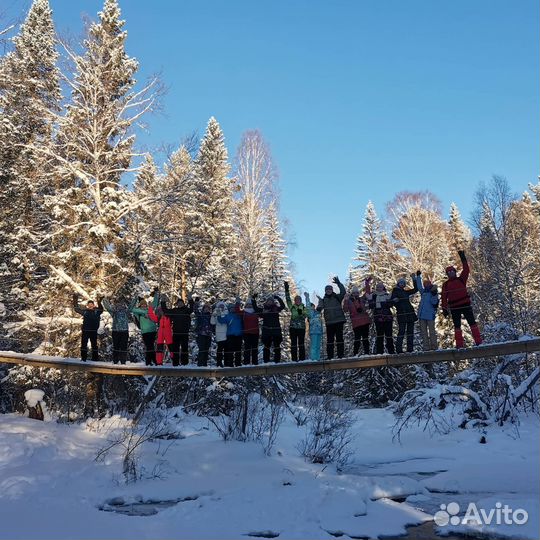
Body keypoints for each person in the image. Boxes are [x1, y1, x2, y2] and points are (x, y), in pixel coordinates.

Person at [441, 250, 483, 348]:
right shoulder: (446, 285)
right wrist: (444, 308)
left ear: (455, 272)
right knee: (457, 326)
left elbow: (466, 269)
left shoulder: (461, 279)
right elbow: (443, 297)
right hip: (454, 307)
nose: (451, 273)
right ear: (447, 274)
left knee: (472, 323)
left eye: (452, 271)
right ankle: (459, 345)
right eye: (449, 272)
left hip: (465, 304)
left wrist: (463, 257)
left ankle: (479, 341)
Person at [317, 276, 346, 359]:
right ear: (325, 291)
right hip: (329, 322)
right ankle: (330, 356)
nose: (328, 291)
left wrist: (339, 284)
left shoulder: (337, 297)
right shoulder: (323, 300)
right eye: (327, 290)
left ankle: (341, 355)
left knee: (339, 338)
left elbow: (343, 292)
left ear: (332, 290)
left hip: (339, 320)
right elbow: (320, 306)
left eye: (330, 289)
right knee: (330, 340)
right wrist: (318, 308)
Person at [161, 295, 194, 366]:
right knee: (175, 348)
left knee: (184, 348)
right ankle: (175, 363)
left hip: (185, 333)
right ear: (177, 304)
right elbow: (165, 311)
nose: (180, 304)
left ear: (183, 303)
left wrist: (190, 299)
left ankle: (185, 363)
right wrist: (163, 302)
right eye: (178, 303)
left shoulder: (187, 310)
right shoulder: (174, 310)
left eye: (181, 302)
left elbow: (192, 308)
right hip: (176, 333)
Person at [102, 296, 137, 364]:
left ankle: (123, 361)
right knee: (116, 346)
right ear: (116, 306)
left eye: (121, 305)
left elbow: (131, 306)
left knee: (123, 347)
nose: (120, 307)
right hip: (116, 331)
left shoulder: (126, 312)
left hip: (124, 332)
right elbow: (108, 307)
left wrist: (135, 299)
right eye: (118, 306)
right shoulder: (114, 313)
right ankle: (115, 361)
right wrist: (104, 299)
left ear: (123, 306)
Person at [253, 294, 286, 363]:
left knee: (277, 346)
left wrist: (278, 298)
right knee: (266, 346)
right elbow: (255, 308)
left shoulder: (276, 309)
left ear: (273, 302)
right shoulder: (264, 310)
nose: (270, 302)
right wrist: (253, 299)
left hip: (276, 330)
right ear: (267, 302)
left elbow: (283, 306)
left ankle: (277, 361)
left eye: (271, 301)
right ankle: (266, 361)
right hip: (267, 331)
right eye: (269, 301)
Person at [390, 274, 418, 354]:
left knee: (410, 331)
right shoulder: (395, 291)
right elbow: (391, 301)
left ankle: (410, 348)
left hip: (409, 313)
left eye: (403, 283)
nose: (402, 284)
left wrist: (414, 279)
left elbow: (415, 289)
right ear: (398, 284)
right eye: (400, 283)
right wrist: (394, 301)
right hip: (402, 314)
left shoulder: (405, 292)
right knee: (401, 331)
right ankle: (399, 349)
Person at [344, 278, 372, 356]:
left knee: (365, 338)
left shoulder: (362, 299)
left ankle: (367, 353)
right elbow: (345, 310)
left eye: (357, 293)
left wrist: (367, 284)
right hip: (356, 323)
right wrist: (345, 300)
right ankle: (355, 353)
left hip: (364, 321)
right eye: (354, 293)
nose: (356, 294)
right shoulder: (349, 301)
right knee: (357, 339)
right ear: (352, 293)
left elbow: (368, 293)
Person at [131, 289, 159, 365]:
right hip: (145, 331)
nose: (144, 305)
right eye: (142, 304)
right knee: (149, 346)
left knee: (150, 346)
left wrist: (156, 293)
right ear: (140, 305)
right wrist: (135, 299)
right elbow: (131, 309)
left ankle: (149, 361)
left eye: (145, 304)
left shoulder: (150, 309)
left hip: (152, 330)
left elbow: (155, 303)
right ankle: (153, 361)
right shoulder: (138, 312)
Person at [73, 294, 103, 362]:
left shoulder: (97, 311)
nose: (90, 305)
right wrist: (75, 299)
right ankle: (83, 358)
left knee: (94, 345)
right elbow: (76, 309)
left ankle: (95, 358)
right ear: (87, 305)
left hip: (93, 331)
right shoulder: (85, 311)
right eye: (89, 304)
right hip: (85, 330)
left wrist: (99, 301)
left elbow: (101, 309)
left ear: (93, 305)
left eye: (91, 304)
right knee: (84, 344)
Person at [367, 282, 395, 354]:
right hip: (378, 317)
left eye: (380, 287)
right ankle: (380, 351)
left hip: (387, 317)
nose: (379, 288)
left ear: (383, 287)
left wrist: (390, 301)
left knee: (389, 334)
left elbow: (390, 305)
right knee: (380, 335)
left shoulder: (387, 295)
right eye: (378, 287)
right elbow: (371, 306)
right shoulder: (373, 295)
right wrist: (370, 300)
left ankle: (391, 351)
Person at [415, 271, 439, 351]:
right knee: (424, 333)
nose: (426, 285)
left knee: (432, 332)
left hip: (430, 315)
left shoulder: (433, 292)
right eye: (425, 284)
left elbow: (434, 302)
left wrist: (434, 294)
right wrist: (418, 276)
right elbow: (419, 286)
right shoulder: (423, 292)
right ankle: (426, 347)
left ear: (430, 284)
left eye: (427, 284)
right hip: (422, 316)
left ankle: (434, 347)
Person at [284, 281, 307, 361]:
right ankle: (294, 359)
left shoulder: (303, 307)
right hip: (293, 327)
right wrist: (286, 289)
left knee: (301, 344)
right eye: (296, 300)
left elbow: (306, 315)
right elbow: (288, 300)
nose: (298, 301)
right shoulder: (292, 307)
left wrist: (301, 314)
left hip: (301, 328)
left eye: (299, 300)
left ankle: (302, 359)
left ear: (301, 301)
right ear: (295, 301)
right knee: (293, 344)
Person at [218, 298, 243, 367]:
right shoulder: (227, 316)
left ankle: (238, 364)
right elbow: (221, 320)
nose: (232, 309)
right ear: (229, 309)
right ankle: (230, 364)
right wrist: (218, 313)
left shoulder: (239, 315)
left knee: (238, 350)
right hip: (230, 335)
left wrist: (238, 303)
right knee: (230, 351)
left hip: (239, 335)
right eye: (231, 308)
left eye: (233, 308)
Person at [148, 298, 173, 365]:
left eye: (162, 310)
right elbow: (151, 315)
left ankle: (175, 360)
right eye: (159, 310)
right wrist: (150, 307)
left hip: (168, 333)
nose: (161, 311)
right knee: (159, 347)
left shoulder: (169, 317)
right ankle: (159, 362)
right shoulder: (158, 318)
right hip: (160, 333)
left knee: (171, 347)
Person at [304, 292, 323, 360]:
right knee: (313, 345)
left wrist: (320, 299)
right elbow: (308, 305)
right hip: (313, 331)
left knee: (318, 346)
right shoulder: (310, 313)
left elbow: (321, 305)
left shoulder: (318, 312)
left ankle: (317, 358)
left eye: (313, 306)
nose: (313, 307)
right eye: (312, 306)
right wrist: (307, 297)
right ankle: (313, 358)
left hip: (319, 331)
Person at [242, 297, 260, 365]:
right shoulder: (243, 312)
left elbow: (262, 313)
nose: (249, 305)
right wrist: (237, 303)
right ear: (246, 305)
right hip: (246, 333)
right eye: (248, 304)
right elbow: (237, 311)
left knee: (255, 348)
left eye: (251, 304)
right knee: (247, 348)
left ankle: (255, 362)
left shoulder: (256, 312)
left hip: (255, 333)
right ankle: (246, 363)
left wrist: (254, 301)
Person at [211, 301, 228, 367]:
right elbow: (212, 322)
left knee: (227, 350)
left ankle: (227, 363)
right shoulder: (215, 313)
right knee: (220, 350)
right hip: (219, 334)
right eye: (220, 306)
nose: (221, 307)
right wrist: (214, 315)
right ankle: (219, 363)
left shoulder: (227, 313)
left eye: (222, 306)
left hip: (227, 334)